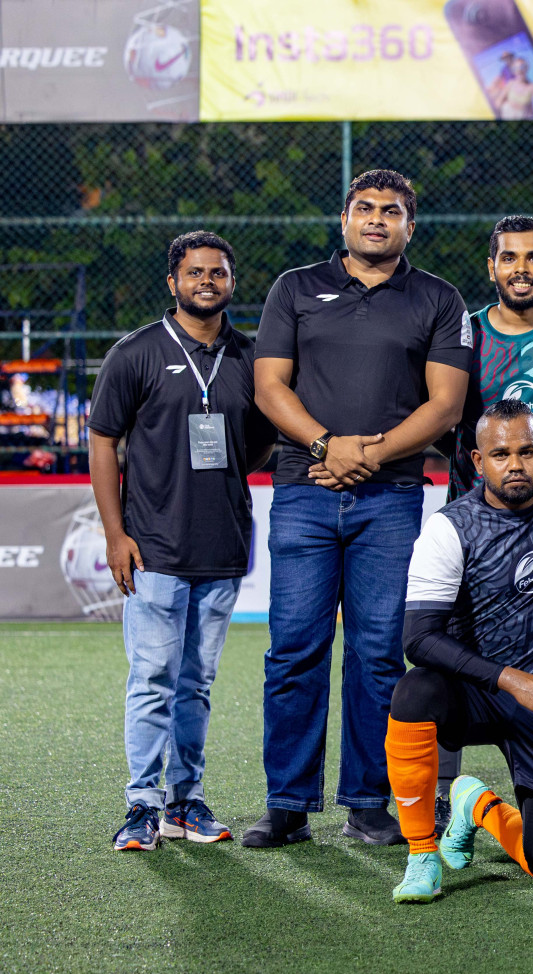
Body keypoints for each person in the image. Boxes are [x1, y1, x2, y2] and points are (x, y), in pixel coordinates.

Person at [247, 169, 471, 848]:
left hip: (392, 499)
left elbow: (446, 406)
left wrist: (364, 457)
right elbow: (267, 387)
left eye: (393, 211)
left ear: (411, 225)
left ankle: (370, 803)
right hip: (302, 491)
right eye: (366, 208)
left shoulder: (438, 297)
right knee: (293, 652)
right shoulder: (294, 287)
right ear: (344, 219)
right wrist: (325, 444)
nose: (378, 219)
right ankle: (287, 803)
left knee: (378, 655)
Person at [385, 399, 533, 903]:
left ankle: (478, 806)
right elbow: (418, 639)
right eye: (500, 454)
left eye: (527, 452)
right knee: (413, 692)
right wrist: (511, 679)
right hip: (478, 695)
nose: (515, 464)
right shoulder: (449, 528)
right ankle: (422, 853)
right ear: (476, 461)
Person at [90, 231, 275, 851]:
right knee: (153, 677)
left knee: (195, 683)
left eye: (217, 272)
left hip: (221, 547)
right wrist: (116, 534)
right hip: (154, 549)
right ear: (172, 282)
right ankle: (141, 804)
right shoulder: (136, 353)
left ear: (230, 281)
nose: (206, 281)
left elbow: (260, 441)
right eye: (194, 272)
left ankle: (183, 801)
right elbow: (101, 442)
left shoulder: (250, 357)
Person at [434, 214, 533, 832]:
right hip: (477, 527)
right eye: (509, 258)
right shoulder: (461, 336)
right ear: (490, 267)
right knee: (450, 655)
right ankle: (443, 795)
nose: (522, 269)